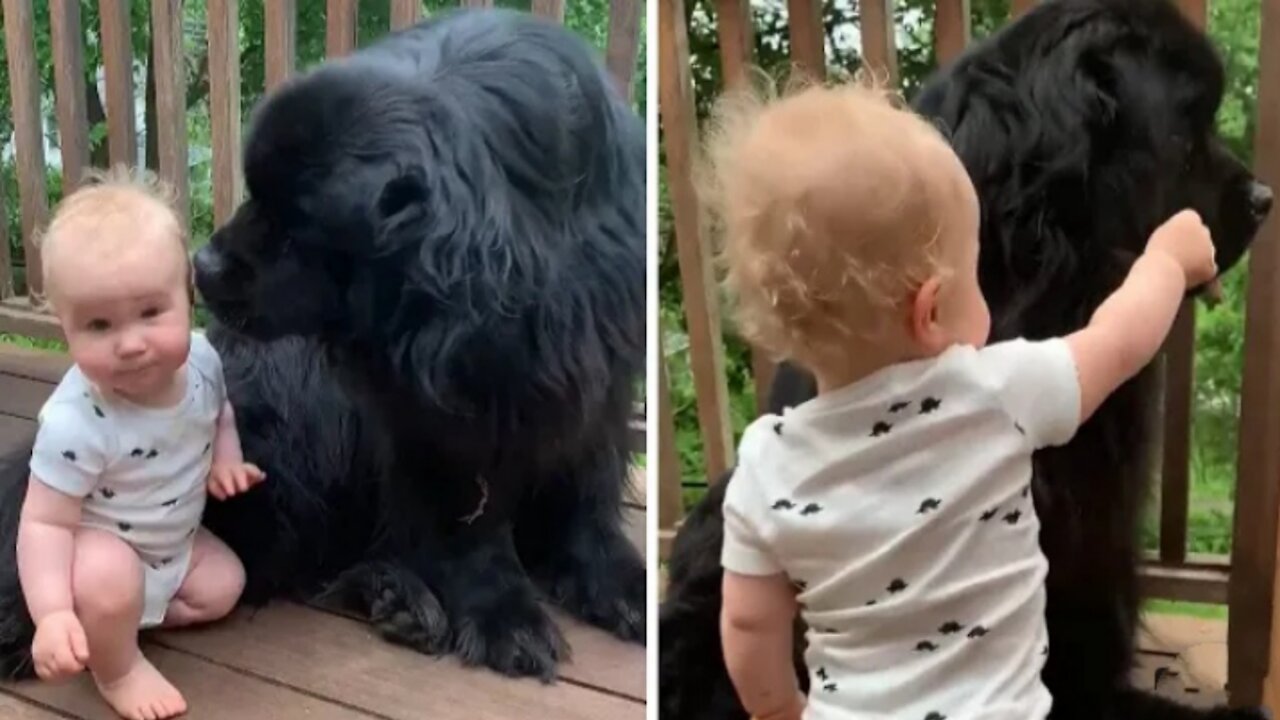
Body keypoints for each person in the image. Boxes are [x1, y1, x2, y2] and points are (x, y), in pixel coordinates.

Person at [706, 79, 1217, 720]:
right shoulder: (996, 396)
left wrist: (779, 709)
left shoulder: (764, 466)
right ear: (931, 311)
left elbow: (749, 623)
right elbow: (1119, 340)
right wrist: (1168, 261)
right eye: (973, 271)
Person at [16, 167, 266, 720]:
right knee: (108, 579)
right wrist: (53, 611)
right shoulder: (76, 422)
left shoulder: (203, 360)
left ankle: (119, 624)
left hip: (174, 546)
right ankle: (117, 667)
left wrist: (225, 459)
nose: (131, 343)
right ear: (64, 325)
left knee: (227, 585)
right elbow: (45, 524)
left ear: (187, 295)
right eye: (100, 326)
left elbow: (219, 412)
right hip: (102, 550)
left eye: (151, 313)